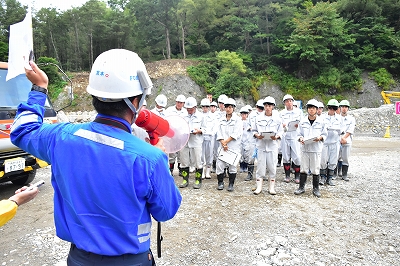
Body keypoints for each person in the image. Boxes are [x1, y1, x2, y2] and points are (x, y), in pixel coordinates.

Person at [11, 49, 182, 265]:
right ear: (136, 102)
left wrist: (39, 88)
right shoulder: (149, 158)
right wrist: (162, 161)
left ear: (94, 96)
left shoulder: (61, 137)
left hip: (79, 259)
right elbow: (166, 211)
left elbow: (22, 130)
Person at [295, 99, 327, 197]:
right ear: (307, 109)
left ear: (317, 110)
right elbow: (298, 134)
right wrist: (300, 138)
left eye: (313, 108)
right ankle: (301, 187)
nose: (311, 110)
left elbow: (325, 134)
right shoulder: (303, 121)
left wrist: (320, 138)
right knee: (303, 168)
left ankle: (316, 189)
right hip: (305, 148)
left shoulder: (321, 122)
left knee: (315, 169)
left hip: (316, 148)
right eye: (309, 108)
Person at [252, 96, 283, 195]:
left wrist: (277, 136)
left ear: (273, 106)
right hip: (261, 144)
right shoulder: (258, 118)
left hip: (272, 145)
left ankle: (271, 187)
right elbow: (254, 130)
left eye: (269, 105)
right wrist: (257, 135)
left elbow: (281, 131)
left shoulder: (277, 119)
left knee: (272, 166)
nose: (267, 107)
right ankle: (259, 187)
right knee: (260, 166)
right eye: (266, 105)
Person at [215, 98, 242, 191]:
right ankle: (220, 182)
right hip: (222, 146)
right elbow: (218, 132)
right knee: (220, 165)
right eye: (226, 107)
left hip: (233, 146)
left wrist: (226, 142)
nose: (228, 109)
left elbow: (236, 133)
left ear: (233, 108)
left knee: (232, 166)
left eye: (230, 107)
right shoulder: (221, 119)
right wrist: (223, 142)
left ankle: (231, 184)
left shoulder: (237, 120)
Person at [178, 97, 206, 189]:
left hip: (196, 140)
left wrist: (199, 130)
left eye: (191, 109)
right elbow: (179, 127)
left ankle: (198, 180)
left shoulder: (201, 116)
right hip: (185, 140)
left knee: (198, 160)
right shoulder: (183, 115)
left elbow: (206, 129)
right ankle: (185, 179)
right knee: (184, 160)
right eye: (188, 109)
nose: (189, 111)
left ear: (195, 107)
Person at [280, 94, 302, 183]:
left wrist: (298, 125)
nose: (289, 103)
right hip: (285, 136)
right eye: (287, 101)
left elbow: (302, 123)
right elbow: (278, 125)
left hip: (295, 135)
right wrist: (283, 125)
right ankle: (287, 176)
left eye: (290, 101)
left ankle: (297, 176)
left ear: (293, 102)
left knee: (297, 156)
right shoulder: (281, 113)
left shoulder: (299, 112)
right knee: (285, 156)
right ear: (284, 103)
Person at [319, 99, 342, 186]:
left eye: (334, 108)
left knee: (333, 160)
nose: (332, 110)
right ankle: (322, 177)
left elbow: (341, 130)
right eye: (330, 108)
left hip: (335, 142)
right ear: (328, 108)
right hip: (325, 142)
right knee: (323, 160)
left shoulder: (339, 118)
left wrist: (337, 130)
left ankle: (330, 178)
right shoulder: (322, 118)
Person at [165, 94, 187, 175]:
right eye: (178, 102)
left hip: (181, 135)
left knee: (181, 152)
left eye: (181, 103)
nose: (179, 104)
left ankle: (180, 168)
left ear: (183, 103)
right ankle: (171, 168)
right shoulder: (169, 110)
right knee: (172, 152)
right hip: (172, 134)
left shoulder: (185, 111)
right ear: (175, 102)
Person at [245, 99, 264, 181]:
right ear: (256, 107)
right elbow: (247, 124)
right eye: (259, 107)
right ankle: (250, 174)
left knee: (262, 157)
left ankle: (262, 174)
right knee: (251, 157)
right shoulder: (251, 115)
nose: (260, 109)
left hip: (262, 138)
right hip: (252, 138)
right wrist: (250, 128)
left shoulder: (265, 115)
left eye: (262, 108)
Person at [338, 100, 356, 181]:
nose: (344, 109)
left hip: (347, 140)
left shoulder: (351, 119)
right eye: (342, 107)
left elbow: (350, 130)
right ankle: (334, 174)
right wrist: (340, 138)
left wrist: (344, 138)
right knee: (335, 157)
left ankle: (344, 174)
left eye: (345, 107)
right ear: (340, 108)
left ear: (348, 108)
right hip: (337, 139)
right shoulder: (336, 117)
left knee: (345, 158)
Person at [200, 98, 216, 179]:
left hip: (210, 137)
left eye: (206, 106)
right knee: (201, 154)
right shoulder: (199, 115)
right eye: (203, 107)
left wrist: (212, 133)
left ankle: (208, 172)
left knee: (209, 154)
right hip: (201, 137)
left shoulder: (213, 116)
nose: (205, 108)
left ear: (209, 107)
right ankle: (202, 171)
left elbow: (215, 127)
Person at [239, 106, 250, 173]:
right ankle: (241, 166)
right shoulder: (239, 121)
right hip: (240, 140)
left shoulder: (249, 122)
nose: (243, 115)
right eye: (242, 114)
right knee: (240, 154)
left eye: (245, 114)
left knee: (246, 154)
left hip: (247, 140)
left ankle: (245, 166)